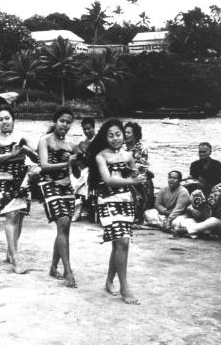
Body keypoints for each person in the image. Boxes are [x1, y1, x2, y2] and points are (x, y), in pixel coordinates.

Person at [87, 119, 146, 304]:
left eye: (118, 134)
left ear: (124, 135)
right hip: (108, 201)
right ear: (105, 137)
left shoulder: (128, 155)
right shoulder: (101, 156)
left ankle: (109, 281)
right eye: (110, 135)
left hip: (126, 201)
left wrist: (138, 177)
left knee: (119, 244)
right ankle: (125, 288)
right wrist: (132, 181)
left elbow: (133, 175)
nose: (115, 138)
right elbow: (108, 180)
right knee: (122, 243)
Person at [0, 105, 38, 273]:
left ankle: (11, 252)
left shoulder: (22, 136)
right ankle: (16, 258)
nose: (4, 122)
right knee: (11, 215)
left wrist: (25, 149)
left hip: (21, 178)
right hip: (3, 178)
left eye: (7, 118)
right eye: (1, 119)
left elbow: (36, 155)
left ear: (13, 119)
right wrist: (11, 154)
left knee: (19, 217)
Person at [38, 106, 78, 288]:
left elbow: (75, 173)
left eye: (68, 122)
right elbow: (44, 166)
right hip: (49, 185)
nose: (65, 124)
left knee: (65, 228)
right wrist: (66, 163)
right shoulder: (44, 141)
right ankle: (68, 271)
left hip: (67, 187)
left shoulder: (71, 146)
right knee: (63, 223)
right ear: (55, 121)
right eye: (62, 121)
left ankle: (54, 267)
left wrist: (77, 161)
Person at [124, 121, 154, 221]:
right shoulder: (121, 147)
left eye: (128, 133)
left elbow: (141, 167)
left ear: (135, 134)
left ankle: (138, 207)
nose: (125, 135)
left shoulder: (142, 148)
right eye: (124, 132)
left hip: (138, 175)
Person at [71, 117, 95, 221]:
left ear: (94, 127)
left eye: (89, 128)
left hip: (95, 167)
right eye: (84, 129)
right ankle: (78, 205)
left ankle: (79, 206)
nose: (87, 131)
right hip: (85, 166)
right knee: (74, 175)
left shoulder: (99, 140)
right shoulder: (82, 142)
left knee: (83, 177)